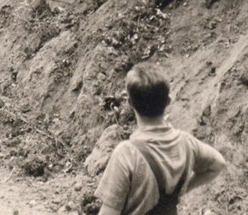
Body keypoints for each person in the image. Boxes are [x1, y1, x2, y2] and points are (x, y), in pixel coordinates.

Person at [95, 62, 226, 215]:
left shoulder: (126, 154)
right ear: (168, 101)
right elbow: (218, 164)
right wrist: (182, 191)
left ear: (130, 103)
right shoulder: (186, 143)